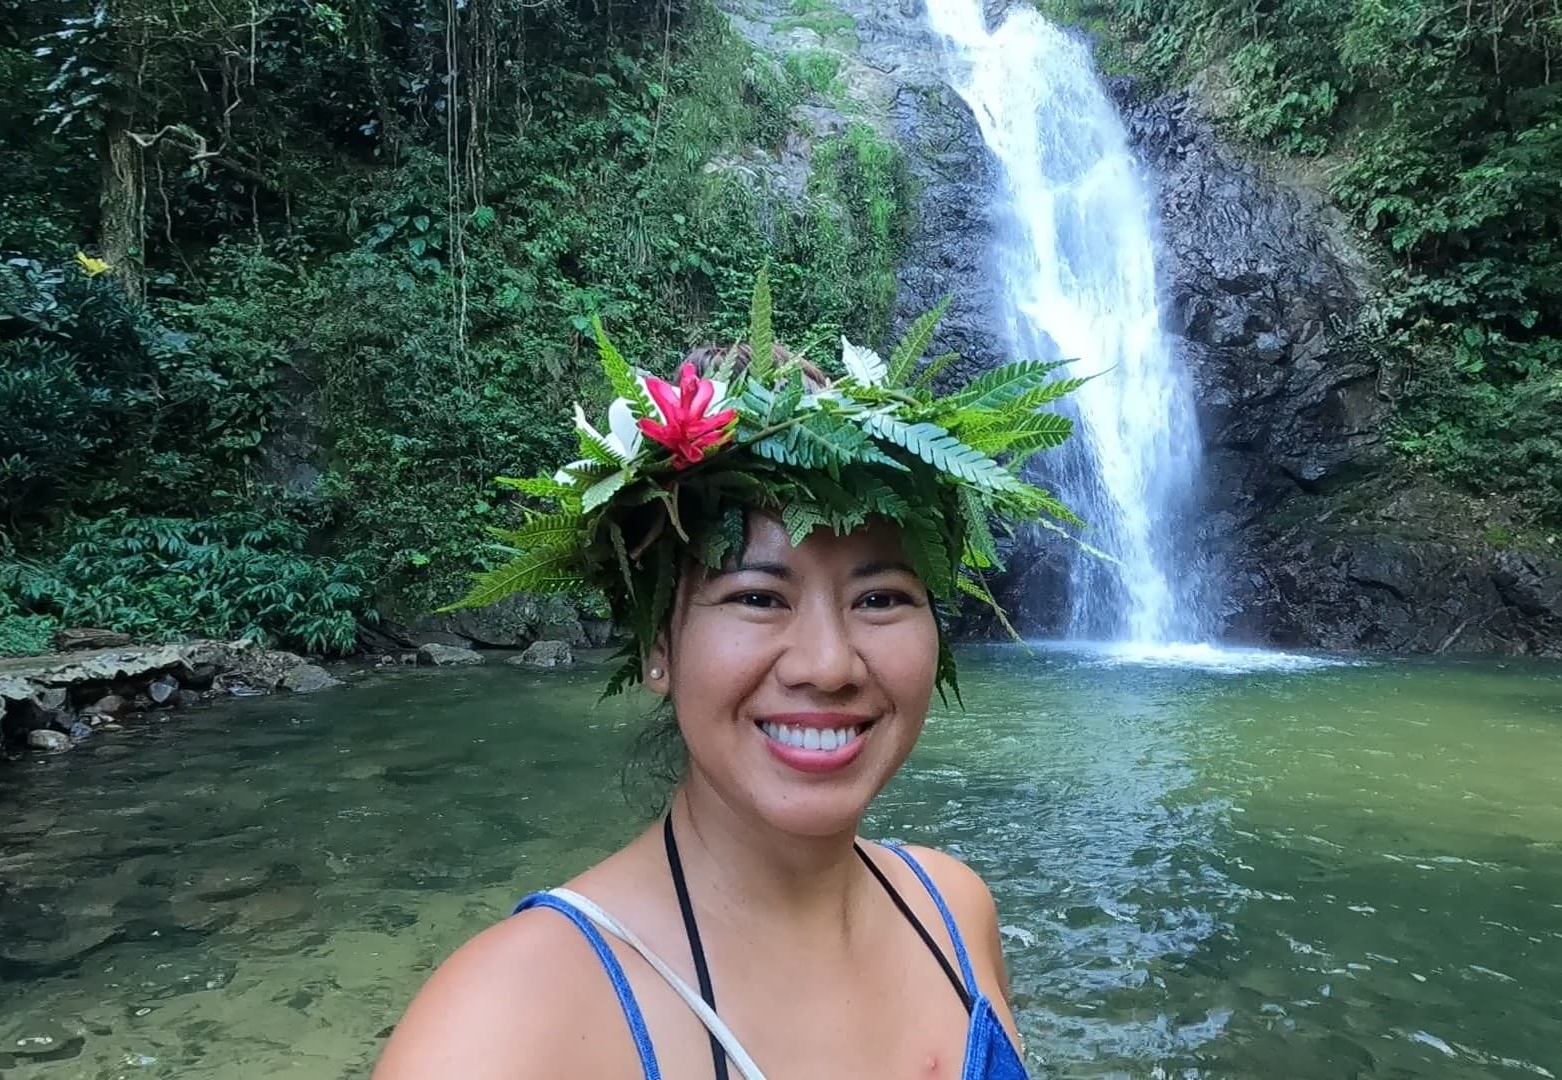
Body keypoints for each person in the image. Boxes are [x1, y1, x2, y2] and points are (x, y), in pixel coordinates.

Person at [375, 294, 1087, 1079]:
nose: (829, 664)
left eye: (881, 598)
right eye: (757, 596)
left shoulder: (954, 910)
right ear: (657, 646)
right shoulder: (508, 1025)